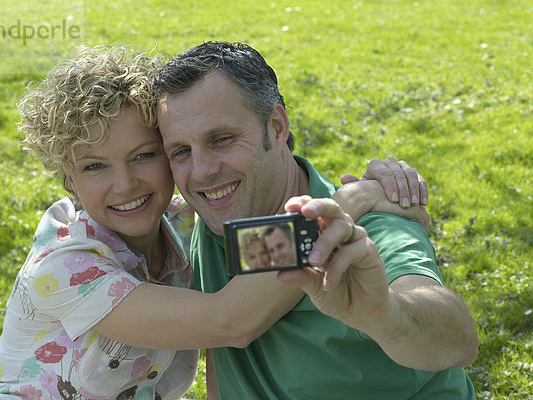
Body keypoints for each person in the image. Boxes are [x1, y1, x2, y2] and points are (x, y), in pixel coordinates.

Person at [0, 45, 430, 400]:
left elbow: (262, 253)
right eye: (95, 167)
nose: (125, 184)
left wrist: (388, 196)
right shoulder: (66, 268)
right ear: (67, 180)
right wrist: (345, 206)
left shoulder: (182, 222)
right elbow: (230, 320)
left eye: (144, 156)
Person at [153, 41, 478, 399]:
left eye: (222, 139)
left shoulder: (369, 225)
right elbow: (230, 328)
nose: (202, 172)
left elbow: (457, 339)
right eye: (181, 151)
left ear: (276, 127)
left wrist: (385, 315)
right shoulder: (203, 223)